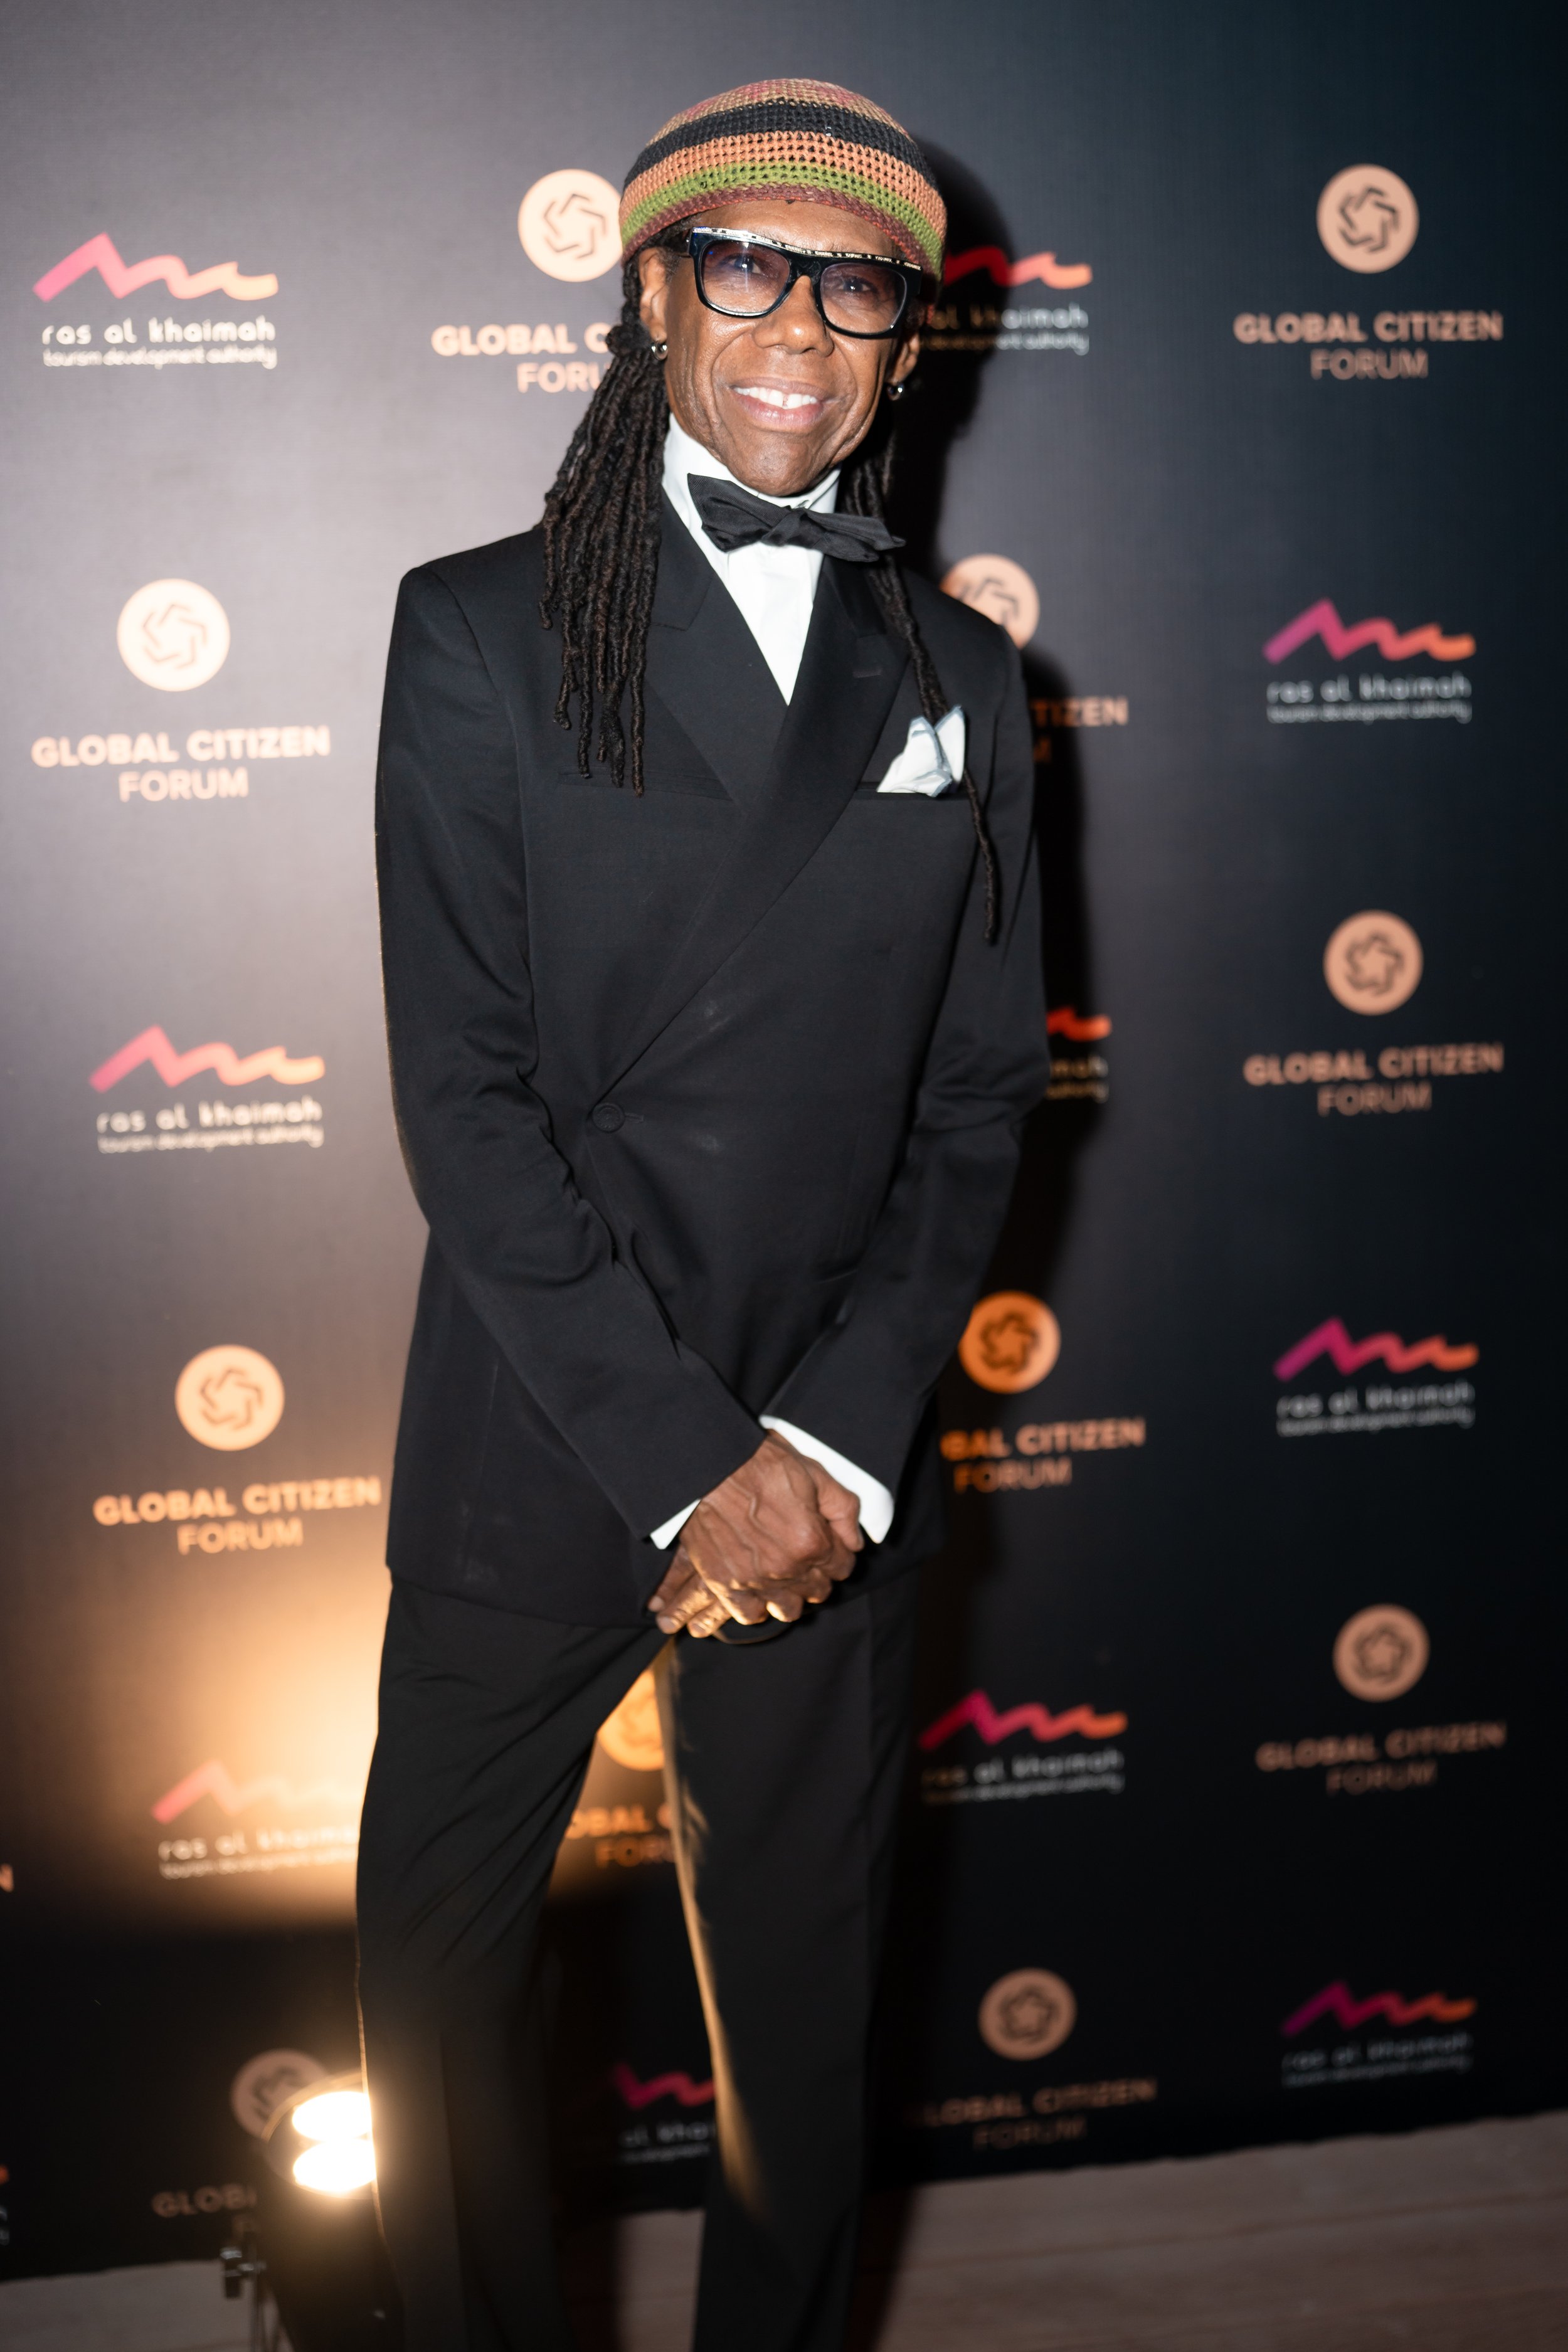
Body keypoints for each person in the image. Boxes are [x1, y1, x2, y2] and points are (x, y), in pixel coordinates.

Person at [358, 76, 1047, 2352]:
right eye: (741, 266)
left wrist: (822, 1451)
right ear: (652, 299)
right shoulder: (471, 634)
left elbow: (972, 1105)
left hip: (829, 1462)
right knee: (439, 2015)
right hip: (549, 1433)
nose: (798, 328)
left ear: (901, 344)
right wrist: (688, 1460)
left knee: (801, 2030)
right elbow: (462, 1102)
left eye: (856, 288)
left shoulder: (959, 676)